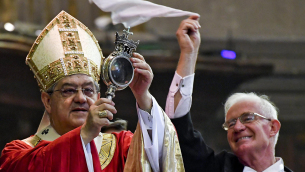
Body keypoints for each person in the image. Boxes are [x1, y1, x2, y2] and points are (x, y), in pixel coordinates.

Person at [0, 11, 184, 172]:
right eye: (68, 90)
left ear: (97, 97)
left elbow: (163, 156)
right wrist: (84, 134)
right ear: (47, 101)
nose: (80, 98)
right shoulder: (18, 153)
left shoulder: (121, 147)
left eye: (88, 90)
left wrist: (143, 96)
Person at [165, 16, 293, 172]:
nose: (237, 127)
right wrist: (188, 54)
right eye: (231, 123)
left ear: (273, 127)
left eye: (248, 118)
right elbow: (178, 126)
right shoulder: (215, 168)